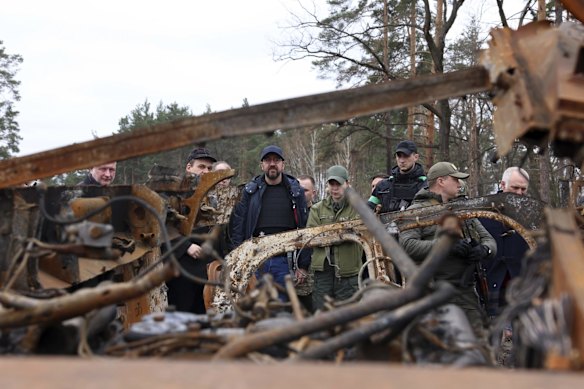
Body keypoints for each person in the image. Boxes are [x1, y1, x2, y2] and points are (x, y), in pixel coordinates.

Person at [399, 162, 496, 337]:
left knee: (478, 342)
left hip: (465, 291)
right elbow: (407, 245)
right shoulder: (416, 212)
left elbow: (489, 240)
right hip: (431, 292)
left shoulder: (460, 209)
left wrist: (484, 250)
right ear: (441, 181)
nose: (460, 184)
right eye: (455, 179)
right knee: (437, 347)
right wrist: (446, 246)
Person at [229, 145, 309, 297]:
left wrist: (303, 266)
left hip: (285, 261)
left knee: (281, 310)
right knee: (254, 308)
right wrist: (238, 261)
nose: (272, 163)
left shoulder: (295, 191)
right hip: (255, 260)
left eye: (276, 160)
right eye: (268, 160)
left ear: (282, 164)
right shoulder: (250, 192)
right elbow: (239, 226)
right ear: (262, 165)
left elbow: (305, 228)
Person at [166, 147, 218, 314]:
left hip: (205, 271)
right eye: (201, 167)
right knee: (182, 319)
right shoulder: (172, 194)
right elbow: (163, 226)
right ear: (189, 167)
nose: (206, 171)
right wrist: (186, 246)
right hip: (179, 271)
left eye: (209, 168)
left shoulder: (212, 197)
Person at [308, 165, 363, 310]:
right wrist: (343, 234)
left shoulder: (357, 207)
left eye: (338, 184)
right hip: (323, 272)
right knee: (321, 313)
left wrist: (327, 235)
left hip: (348, 272)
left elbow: (359, 232)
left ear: (347, 184)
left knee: (348, 314)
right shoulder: (317, 209)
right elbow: (312, 237)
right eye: (332, 184)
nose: (335, 188)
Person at [480, 167, 530, 318]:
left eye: (523, 189)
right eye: (515, 188)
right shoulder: (483, 210)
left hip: (521, 283)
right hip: (491, 281)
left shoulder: (531, 212)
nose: (519, 193)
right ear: (502, 185)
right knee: (491, 334)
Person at [368, 140, 427, 213]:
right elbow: (366, 210)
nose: (402, 160)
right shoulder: (383, 186)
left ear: (416, 157)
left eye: (406, 156)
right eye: (399, 156)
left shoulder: (425, 185)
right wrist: (375, 211)